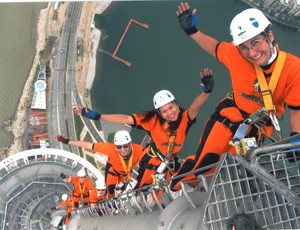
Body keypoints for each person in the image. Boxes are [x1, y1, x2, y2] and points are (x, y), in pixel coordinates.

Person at [170, 3, 300, 190]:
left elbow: (296, 109)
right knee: (205, 161)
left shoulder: (294, 69)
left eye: (256, 42)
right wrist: (192, 30)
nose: (252, 53)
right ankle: (178, 190)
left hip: (258, 129)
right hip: (229, 115)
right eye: (244, 47)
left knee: (231, 168)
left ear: (269, 35)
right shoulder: (236, 54)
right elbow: (215, 48)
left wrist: (295, 136)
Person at [73, 68, 214, 188]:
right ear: (159, 113)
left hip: (170, 160)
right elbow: (125, 119)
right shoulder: (152, 121)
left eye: (171, 107)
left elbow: (195, 105)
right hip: (152, 161)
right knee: (143, 188)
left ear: (176, 105)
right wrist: (97, 116)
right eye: (164, 111)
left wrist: (206, 92)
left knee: (185, 177)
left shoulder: (185, 118)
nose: (170, 113)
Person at [55, 130, 146, 197]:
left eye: (125, 146)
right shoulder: (110, 149)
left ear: (130, 144)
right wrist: (66, 141)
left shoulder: (138, 150)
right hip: (112, 172)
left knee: (121, 190)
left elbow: (148, 162)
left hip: (125, 174)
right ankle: (110, 202)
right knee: (110, 191)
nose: (123, 149)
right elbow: (88, 145)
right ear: (115, 146)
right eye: (119, 147)